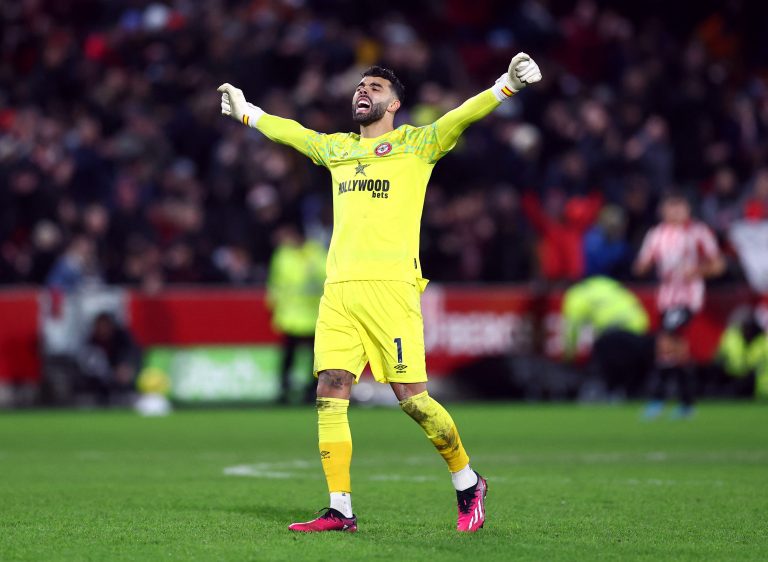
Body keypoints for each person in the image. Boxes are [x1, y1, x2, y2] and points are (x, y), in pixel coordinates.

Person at [219, 53, 542, 532]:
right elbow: (294, 133)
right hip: (339, 291)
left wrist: (505, 86)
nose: (362, 92)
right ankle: (340, 508)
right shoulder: (338, 148)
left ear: (394, 104)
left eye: (373, 87)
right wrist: (248, 112)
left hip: (391, 289)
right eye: (359, 87)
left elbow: (459, 115)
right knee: (330, 388)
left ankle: (468, 481)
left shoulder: (417, 144)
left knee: (412, 399)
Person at [633, 192, 725, 419]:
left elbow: (718, 265)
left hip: (688, 296)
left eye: (679, 207)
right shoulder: (656, 235)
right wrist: (642, 266)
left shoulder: (698, 232)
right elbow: (641, 265)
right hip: (666, 296)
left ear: (687, 209)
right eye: (670, 207)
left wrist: (696, 271)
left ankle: (659, 399)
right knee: (675, 348)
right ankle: (686, 402)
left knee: (667, 340)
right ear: (662, 210)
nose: (674, 212)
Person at [266, 223, 327, 404]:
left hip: (313, 314)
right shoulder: (283, 255)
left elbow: (325, 274)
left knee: (314, 358)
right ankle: (284, 390)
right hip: (290, 316)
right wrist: (273, 303)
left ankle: (312, 391)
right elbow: (275, 281)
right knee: (289, 356)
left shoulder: (315, 252)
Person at [561, 276, 651, 399]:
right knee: (633, 373)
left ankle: (610, 393)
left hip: (612, 337)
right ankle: (632, 394)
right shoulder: (606, 284)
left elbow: (572, 328)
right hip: (638, 334)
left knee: (606, 367)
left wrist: (569, 357)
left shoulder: (576, 294)